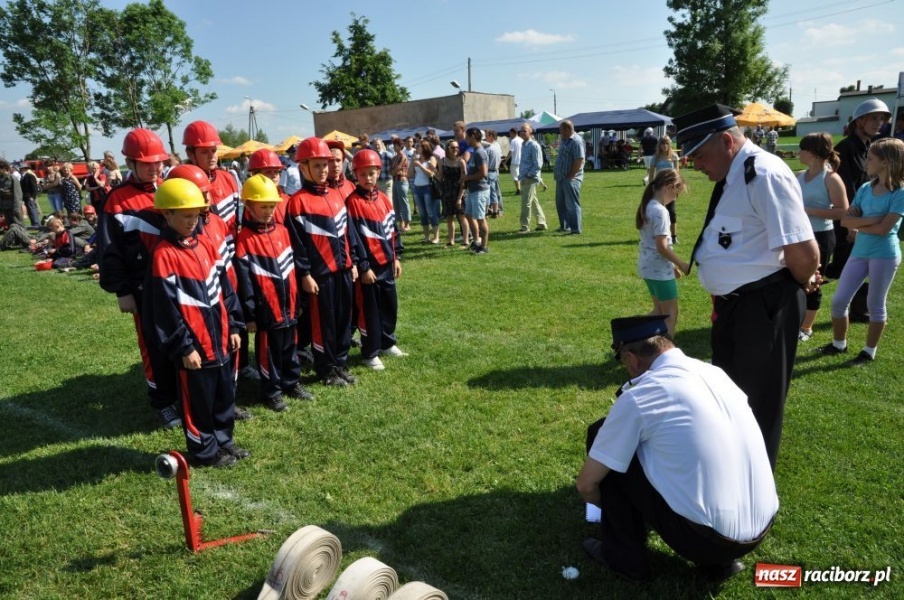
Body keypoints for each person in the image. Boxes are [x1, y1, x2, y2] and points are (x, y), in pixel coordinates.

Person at [577, 315, 778, 581]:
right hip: (761, 530)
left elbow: (586, 485)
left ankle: (624, 559)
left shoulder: (641, 396)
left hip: (705, 541)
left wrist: (610, 504)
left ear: (630, 358)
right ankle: (722, 562)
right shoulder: (716, 374)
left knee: (603, 436)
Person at [676, 104, 819, 470]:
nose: (694, 165)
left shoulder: (764, 174)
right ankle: (733, 471)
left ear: (727, 141)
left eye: (700, 155)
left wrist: (789, 287)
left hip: (764, 305)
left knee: (759, 403)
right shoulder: (735, 174)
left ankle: (755, 484)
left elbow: (804, 253)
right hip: (737, 306)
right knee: (731, 396)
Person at [144, 178, 247, 468]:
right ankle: (205, 451)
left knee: (223, 396)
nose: (193, 221)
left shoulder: (206, 246)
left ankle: (224, 441)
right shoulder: (164, 255)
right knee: (198, 403)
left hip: (221, 340)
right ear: (167, 215)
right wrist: (184, 347)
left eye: (197, 215)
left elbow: (225, 289)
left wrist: (234, 325)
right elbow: (164, 310)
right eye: (186, 216)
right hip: (195, 348)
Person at [99, 128, 180, 428]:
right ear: (130, 162)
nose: (155, 167)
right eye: (147, 163)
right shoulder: (116, 200)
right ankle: (162, 402)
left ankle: (183, 393)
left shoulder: (171, 189)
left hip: (177, 284)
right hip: (143, 289)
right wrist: (122, 291)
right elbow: (110, 250)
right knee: (153, 345)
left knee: (180, 339)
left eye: (158, 162)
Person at [286, 137, 361, 386]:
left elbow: (349, 233)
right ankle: (326, 369)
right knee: (324, 323)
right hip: (320, 276)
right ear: (303, 167)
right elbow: (297, 245)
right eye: (316, 165)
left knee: (343, 319)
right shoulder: (297, 202)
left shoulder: (336, 196)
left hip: (343, 270)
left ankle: (340, 362)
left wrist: (352, 262)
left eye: (325, 165)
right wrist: (305, 274)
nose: (323, 170)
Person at [822, 138, 904, 365]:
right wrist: (873, 220)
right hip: (859, 252)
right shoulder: (866, 188)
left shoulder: (899, 193)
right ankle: (839, 344)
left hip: (884, 255)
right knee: (839, 301)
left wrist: (860, 224)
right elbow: (846, 221)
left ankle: (869, 351)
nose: (866, 162)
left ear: (886, 162)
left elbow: (884, 230)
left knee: (875, 304)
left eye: (871, 158)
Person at [235, 175, 314, 410]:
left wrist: (298, 301)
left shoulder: (283, 231)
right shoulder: (244, 239)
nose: (268, 212)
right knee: (269, 353)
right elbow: (245, 281)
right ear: (249, 206)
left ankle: (292, 382)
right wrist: (250, 314)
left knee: (290, 348)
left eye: (272, 206)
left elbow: (291, 271)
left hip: (289, 306)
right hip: (266, 311)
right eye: (263, 207)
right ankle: (272, 391)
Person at [828, 98, 892, 323]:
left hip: (863, 217)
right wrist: (853, 223)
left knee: (861, 260)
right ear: (859, 121)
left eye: (881, 119)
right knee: (846, 262)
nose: (879, 123)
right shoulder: (847, 147)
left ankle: (859, 309)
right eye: (873, 118)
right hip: (850, 217)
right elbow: (847, 187)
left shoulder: (870, 147)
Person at [346, 149, 407, 370]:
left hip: (386, 264)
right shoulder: (352, 202)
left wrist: (396, 256)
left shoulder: (383, 199)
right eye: (362, 174)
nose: (367, 178)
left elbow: (393, 230)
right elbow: (353, 238)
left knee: (389, 305)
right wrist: (363, 266)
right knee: (369, 311)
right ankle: (370, 351)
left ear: (378, 173)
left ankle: (387, 342)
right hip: (369, 268)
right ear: (355, 175)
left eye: (371, 173)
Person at [796, 133, 849, 341]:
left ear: (814, 153)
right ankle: (794, 321)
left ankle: (806, 328)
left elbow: (842, 211)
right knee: (795, 280)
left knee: (813, 281)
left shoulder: (831, 178)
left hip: (821, 236)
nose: (799, 153)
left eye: (803, 149)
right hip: (799, 235)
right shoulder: (799, 176)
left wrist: (808, 210)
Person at [635, 170, 690, 336]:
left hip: (648, 266)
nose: (676, 198)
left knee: (659, 312)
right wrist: (681, 263)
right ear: (669, 187)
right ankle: (665, 347)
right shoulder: (660, 211)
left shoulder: (648, 205)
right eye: (677, 193)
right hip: (658, 268)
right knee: (670, 314)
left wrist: (671, 266)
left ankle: (632, 335)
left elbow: (654, 244)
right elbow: (661, 246)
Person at [461, 127, 490, 254]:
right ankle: (477, 241)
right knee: (468, 215)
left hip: (479, 190)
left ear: (472, 136)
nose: (466, 139)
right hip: (473, 190)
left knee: (480, 218)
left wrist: (467, 177)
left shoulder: (480, 153)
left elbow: (483, 173)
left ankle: (484, 246)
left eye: (467, 137)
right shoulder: (475, 151)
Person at [647, 136, 681, 244]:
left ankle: (674, 236)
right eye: (663, 144)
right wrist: (651, 187)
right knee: (659, 211)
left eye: (667, 144)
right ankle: (658, 234)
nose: (665, 146)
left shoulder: (674, 156)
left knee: (672, 211)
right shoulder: (655, 158)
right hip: (659, 187)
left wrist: (677, 187)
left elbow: (677, 173)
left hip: (671, 188)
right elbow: (651, 174)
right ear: (659, 145)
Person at [553, 120, 585, 234]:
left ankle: (575, 229)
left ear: (567, 129)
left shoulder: (576, 141)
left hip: (571, 178)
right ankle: (565, 226)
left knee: (572, 204)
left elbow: (579, 159)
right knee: (560, 204)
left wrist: (571, 175)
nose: (560, 132)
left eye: (561, 130)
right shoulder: (565, 140)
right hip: (561, 178)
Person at [516, 123, 548, 234]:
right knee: (533, 202)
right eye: (521, 131)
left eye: (524, 131)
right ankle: (541, 223)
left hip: (531, 178)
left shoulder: (534, 145)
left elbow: (538, 164)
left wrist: (529, 175)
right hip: (525, 177)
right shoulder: (523, 145)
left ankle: (524, 227)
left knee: (526, 203)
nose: (522, 133)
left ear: (530, 132)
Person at [437, 138, 467, 247]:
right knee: (449, 217)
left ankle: (465, 240)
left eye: (457, 147)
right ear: (447, 148)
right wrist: (434, 173)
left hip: (458, 191)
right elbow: (441, 177)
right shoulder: (442, 161)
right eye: (452, 147)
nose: (455, 149)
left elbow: (463, 181)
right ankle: (451, 240)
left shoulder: (461, 161)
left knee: (461, 216)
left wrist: (460, 198)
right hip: (447, 192)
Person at [409, 140, 440, 244]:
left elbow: (431, 174)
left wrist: (420, 165)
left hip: (428, 188)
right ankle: (427, 237)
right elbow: (410, 175)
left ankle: (436, 237)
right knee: (422, 214)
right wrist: (412, 163)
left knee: (431, 213)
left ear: (424, 148)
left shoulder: (431, 159)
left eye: (418, 146)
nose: (416, 148)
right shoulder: (417, 159)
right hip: (417, 188)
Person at [389, 136, 411, 232]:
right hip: (395, 181)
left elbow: (397, 168)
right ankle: (400, 222)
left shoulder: (403, 156)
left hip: (402, 181)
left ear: (399, 146)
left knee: (404, 202)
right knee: (396, 203)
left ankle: (407, 223)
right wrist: (393, 172)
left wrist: (394, 171)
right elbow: (390, 170)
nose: (394, 147)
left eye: (395, 145)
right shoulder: (394, 157)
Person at [0, 159, 24, 228]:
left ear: (4, 168)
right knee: (10, 225)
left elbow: (18, 194)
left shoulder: (12, 178)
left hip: (13, 205)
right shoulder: (1, 179)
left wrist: (16, 208)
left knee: (18, 225)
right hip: (4, 206)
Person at [485, 129, 503, 218]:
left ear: (491, 136)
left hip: (488, 172)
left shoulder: (488, 149)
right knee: (494, 192)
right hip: (495, 171)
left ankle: (486, 212)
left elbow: (485, 162)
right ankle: (495, 211)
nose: (485, 137)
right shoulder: (497, 147)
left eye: (487, 135)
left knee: (487, 192)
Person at [508, 127, 523, 196]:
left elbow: (511, 151)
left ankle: (518, 190)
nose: (509, 134)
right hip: (521, 161)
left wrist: (505, 161)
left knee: (515, 176)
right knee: (521, 176)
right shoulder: (521, 139)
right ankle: (522, 189)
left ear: (513, 133)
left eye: (510, 133)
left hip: (515, 161)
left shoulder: (513, 141)